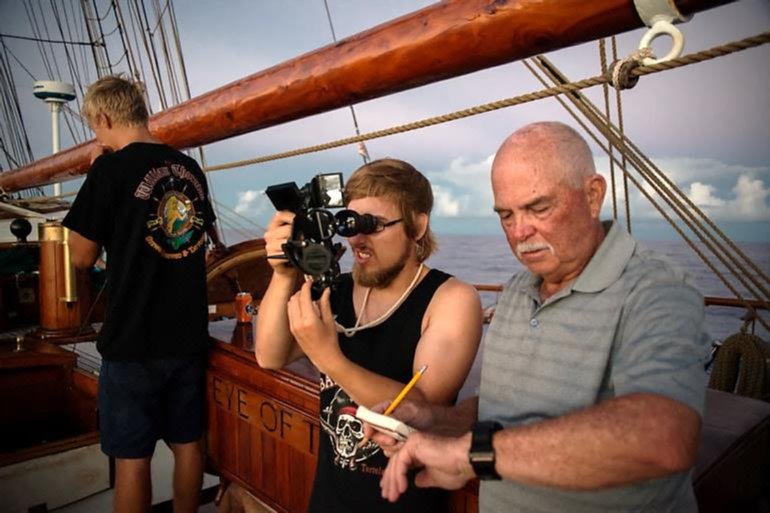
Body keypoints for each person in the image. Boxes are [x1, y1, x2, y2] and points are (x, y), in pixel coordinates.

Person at [375, 122, 710, 512]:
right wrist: (433, 421)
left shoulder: (658, 290)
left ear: (592, 195)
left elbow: (662, 437)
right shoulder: (518, 290)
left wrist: (471, 456)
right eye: (506, 215)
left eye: (539, 208)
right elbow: (503, 410)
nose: (519, 232)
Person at [255, 158, 482, 512]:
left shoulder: (451, 299)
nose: (357, 238)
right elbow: (270, 355)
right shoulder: (338, 291)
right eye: (349, 224)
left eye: (372, 225)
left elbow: (425, 407)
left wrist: (329, 358)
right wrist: (283, 273)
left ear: (417, 225)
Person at [63, 75, 224, 513]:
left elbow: (80, 257)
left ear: (102, 117)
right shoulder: (189, 169)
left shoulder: (109, 171)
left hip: (133, 342)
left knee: (132, 461)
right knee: (188, 446)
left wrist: (99, 170)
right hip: (187, 340)